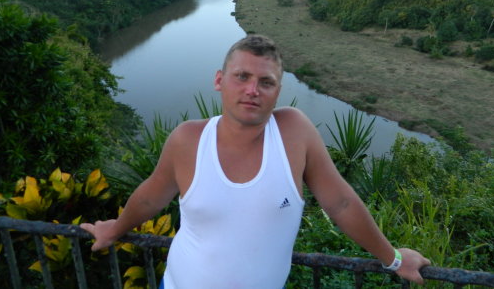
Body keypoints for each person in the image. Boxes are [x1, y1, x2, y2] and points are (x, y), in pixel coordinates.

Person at [80, 34, 430, 288]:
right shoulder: (189, 139)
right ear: (219, 81)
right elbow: (150, 198)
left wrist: (394, 259)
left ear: (278, 92)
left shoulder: (293, 132)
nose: (252, 90)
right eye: (242, 77)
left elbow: (341, 202)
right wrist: (115, 228)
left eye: (266, 82)